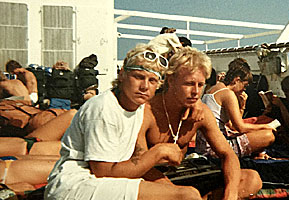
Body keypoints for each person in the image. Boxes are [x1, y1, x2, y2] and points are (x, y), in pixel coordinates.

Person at [44, 43, 203, 200]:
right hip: (75, 185)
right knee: (187, 195)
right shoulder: (103, 108)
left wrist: (196, 104)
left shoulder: (138, 105)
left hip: (102, 182)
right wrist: (157, 153)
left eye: (152, 80)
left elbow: (175, 91)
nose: (144, 86)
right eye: (138, 77)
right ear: (122, 75)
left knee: (174, 191)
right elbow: (102, 171)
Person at [147, 47, 262, 199]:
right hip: (152, 179)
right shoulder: (148, 111)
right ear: (171, 80)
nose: (196, 92)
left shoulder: (201, 111)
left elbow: (227, 154)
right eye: (188, 84)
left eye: (200, 85)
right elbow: (136, 164)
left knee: (252, 179)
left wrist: (231, 194)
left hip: (182, 174)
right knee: (187, 195)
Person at [196, 58, 275, 158]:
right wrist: (266, 126)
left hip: (204, 145)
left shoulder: (214, 88)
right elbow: (240, 127)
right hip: (216, 148)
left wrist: (242, 106)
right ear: (237, 80)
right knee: (268, 135)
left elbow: (231, 125)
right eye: (244, 85)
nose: (244, 90)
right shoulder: (228, 94)